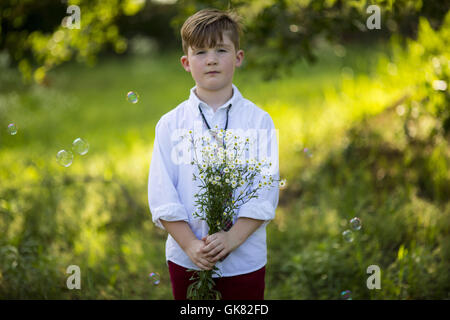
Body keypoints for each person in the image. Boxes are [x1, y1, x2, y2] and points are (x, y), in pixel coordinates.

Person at [148, 8, 279, 300]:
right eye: (201, 52)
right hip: (187, 258)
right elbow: (162, 194)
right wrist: (190, 245)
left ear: (238, 57)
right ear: (186, 62)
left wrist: (232, 238)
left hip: (245, 260)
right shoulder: (170, 124)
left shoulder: (260, 121)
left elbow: (264, 192)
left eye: (221, 49)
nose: (211, 59)